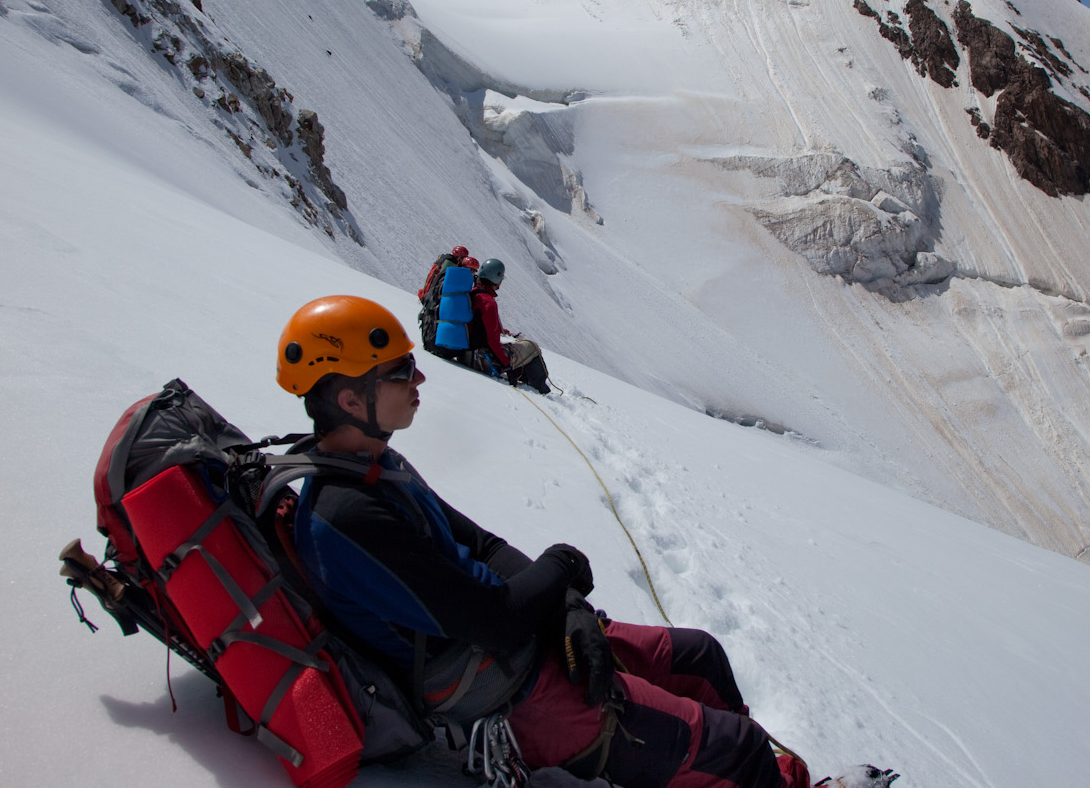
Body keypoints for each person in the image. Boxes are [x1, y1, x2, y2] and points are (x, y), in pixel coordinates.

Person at [274, 296, 813, 787]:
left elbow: (482, 546)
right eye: (398, 372)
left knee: (699, 657)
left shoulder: (377, 468)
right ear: (350, 397)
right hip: (508, 691)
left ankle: (762, 777)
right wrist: (562, 566)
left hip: (522, 640)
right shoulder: (346, 517)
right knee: (732, 748)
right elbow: (493, 619)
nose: (419, 379)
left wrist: (566, 605)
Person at [471, 258, 552, 395]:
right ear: (496, 278)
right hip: (483, 357)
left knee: (519, 348)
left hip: (472, 352)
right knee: (532, 347)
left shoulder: (474, 293)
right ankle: (541, 388)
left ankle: (528, 380)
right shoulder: (488, 303)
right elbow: (492, 340)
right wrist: (506, 363)